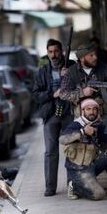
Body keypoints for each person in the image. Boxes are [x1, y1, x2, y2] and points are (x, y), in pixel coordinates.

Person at [59, 98, 107, 200]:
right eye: (88, 109)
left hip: (93, 165)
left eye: (94, 109)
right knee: (98, 194)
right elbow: (62, 139)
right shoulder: (76, 124)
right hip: (78, 170)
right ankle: (74, 186)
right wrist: (82, 132)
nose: (92, 112)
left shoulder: (99, 125)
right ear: (82, 111)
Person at [32, 38, 75, 197]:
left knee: (72, 149)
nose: (54, 55)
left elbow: (80, 85)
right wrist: (52, 94)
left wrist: (68, 76)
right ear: (47, 52)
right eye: (50, 52)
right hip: (50, 115)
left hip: (69, 113)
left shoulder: (71, 66)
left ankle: (73, 185)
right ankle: (50, 187)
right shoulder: (43, 72)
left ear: (62, 51)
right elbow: (36, 95)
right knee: (50, 152)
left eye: (56, 51)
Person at [59, 42, 107, 117]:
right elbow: (63, 94)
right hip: (81, 116)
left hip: (103, 114)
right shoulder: (71, 72)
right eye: (91, 55)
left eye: (95, 54)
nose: (95, 57)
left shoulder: (103, 68)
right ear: (81, 58)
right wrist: (82, 93)